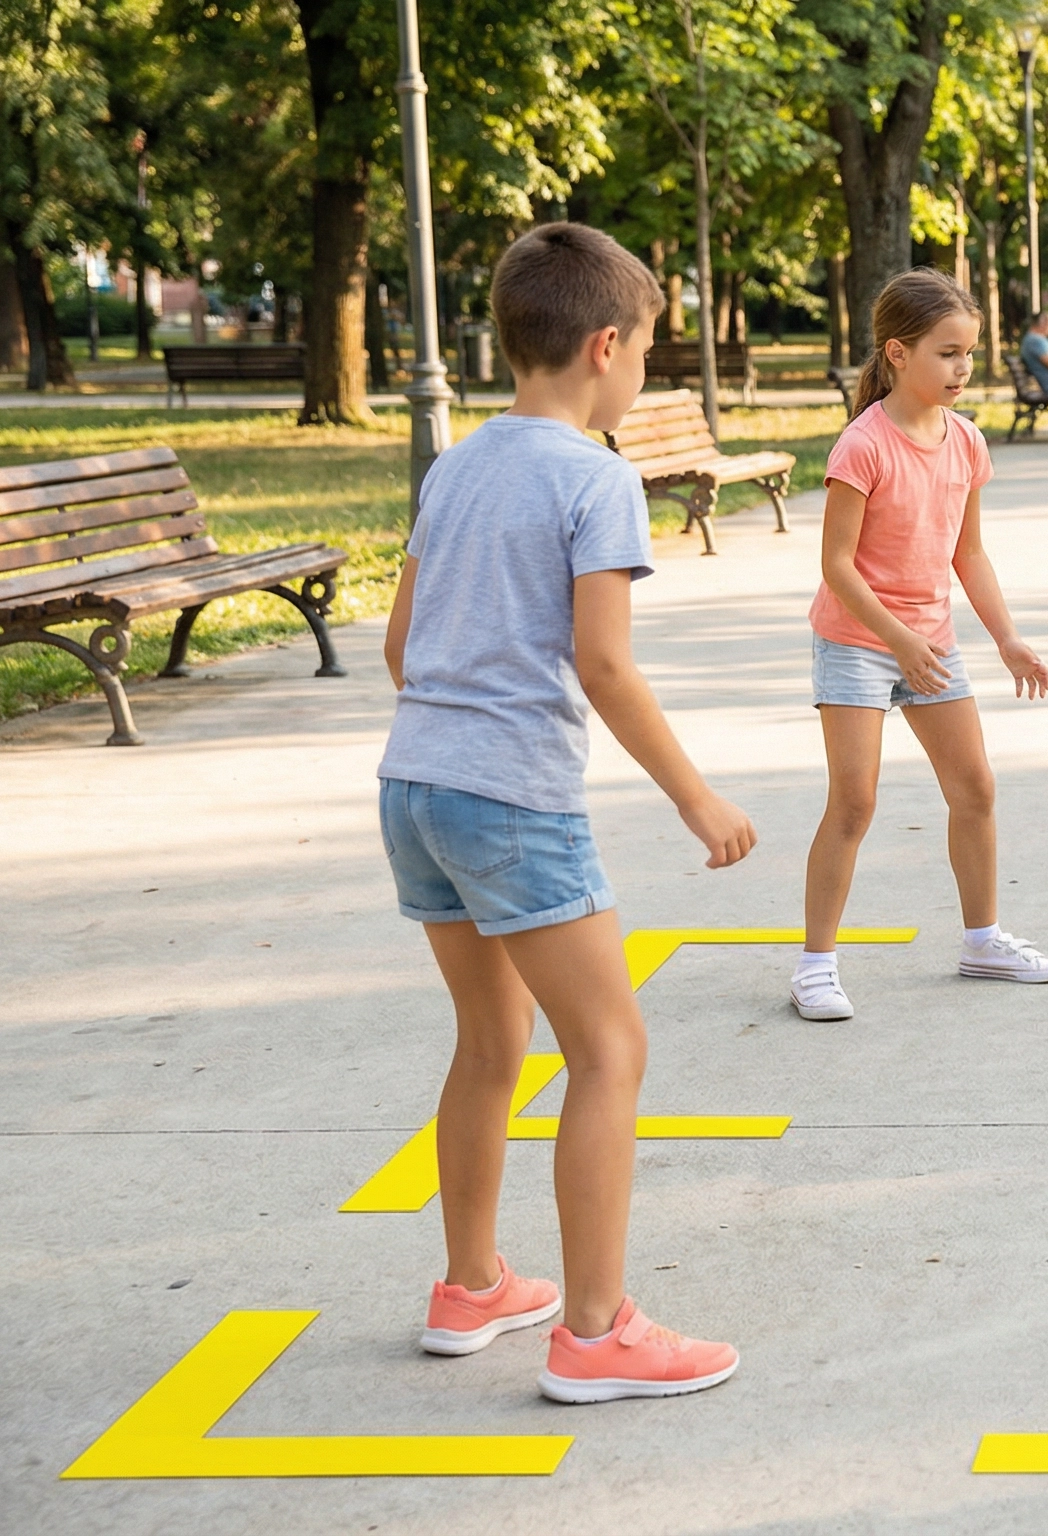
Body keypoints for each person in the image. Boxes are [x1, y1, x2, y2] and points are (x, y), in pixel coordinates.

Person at [377, 222, 752, 1402]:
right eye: (648, 354)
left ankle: (472, 1283)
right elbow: (604, 664)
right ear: (604, 347)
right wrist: (697, 797)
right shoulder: (595, 476)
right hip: (510, 799)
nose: (646, 376)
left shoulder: (456, 465)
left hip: (414, 784)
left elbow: (400, 645)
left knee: (491, 1045)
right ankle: (594, 1334)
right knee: (611, 1048)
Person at [793, 268, 1048, 1022]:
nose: (963, 368)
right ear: (898, 353)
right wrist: (898, 640)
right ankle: (816, 967)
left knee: (975, 789)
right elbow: (836, 567)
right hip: (858, 639)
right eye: (948, 353)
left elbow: (967, 554)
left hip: (932, 643)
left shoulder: (967, 442)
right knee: (854, 802)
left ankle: (982, 941)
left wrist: (1007, 638)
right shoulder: (863, 445)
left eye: (970, 354)